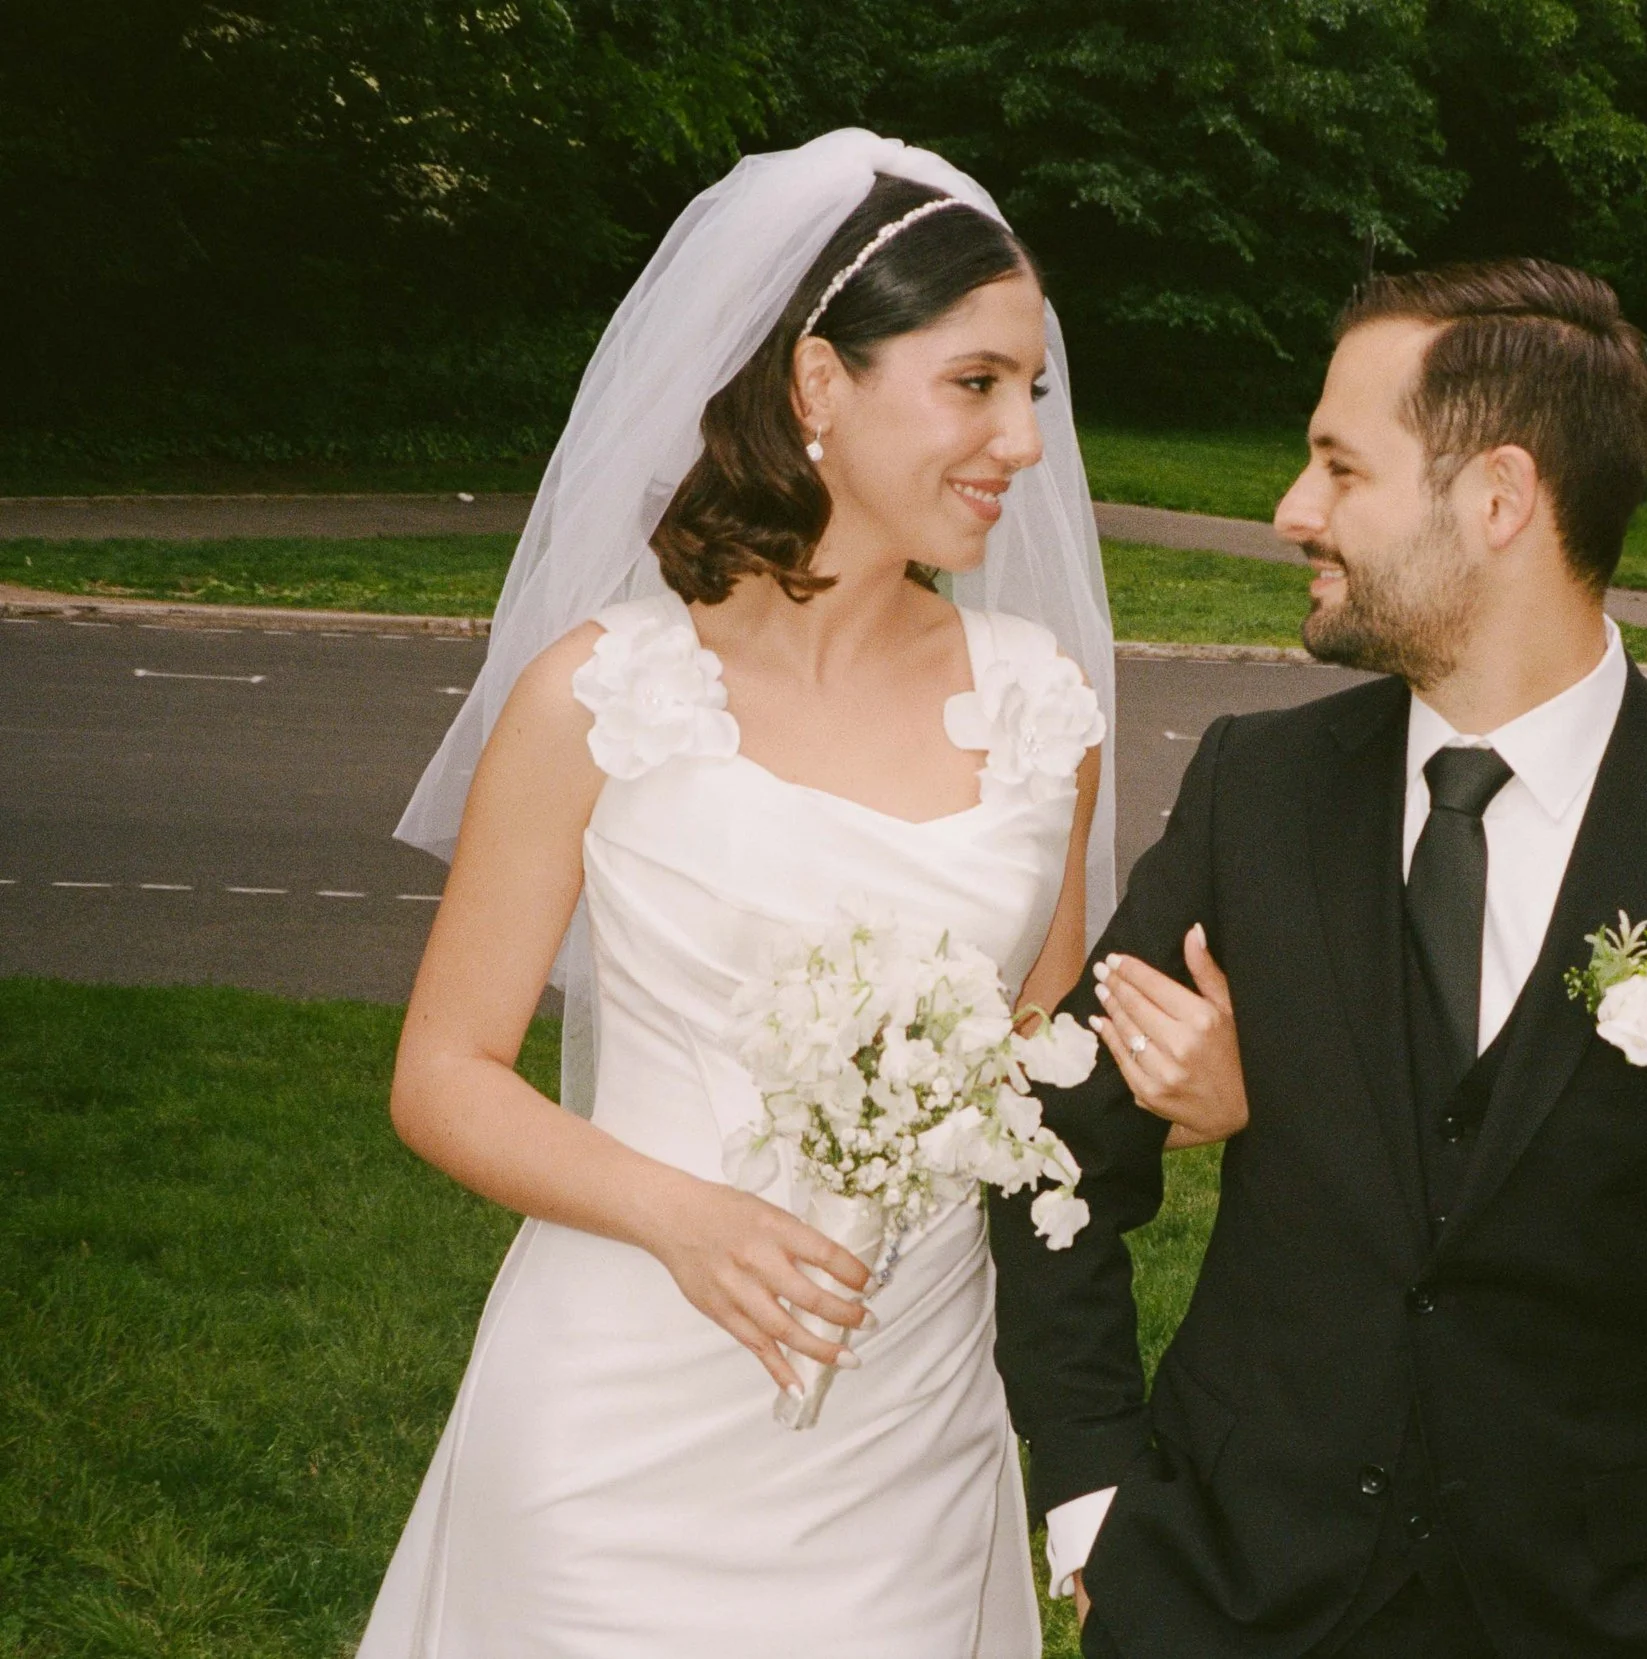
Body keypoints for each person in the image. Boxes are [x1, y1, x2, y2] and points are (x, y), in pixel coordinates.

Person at [991, 259, 1647, 1658]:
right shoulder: (1260, 793)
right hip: (1227, 1598)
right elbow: (1058, 1140)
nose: (1290, 511)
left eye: (1337, 467)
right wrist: (1093, 1500)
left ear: (1498, 500)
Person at [362, 131, 1172, 1657]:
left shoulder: (1039, 709)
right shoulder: (602, 694)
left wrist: (1202, 1086)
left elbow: (1043, 1057)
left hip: (909, 1439)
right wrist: (687, 1217)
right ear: (818, 384)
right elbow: (442, 1074)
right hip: (618, 1422)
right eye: (976, 383)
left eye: (1035, 393)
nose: (1022, 442)